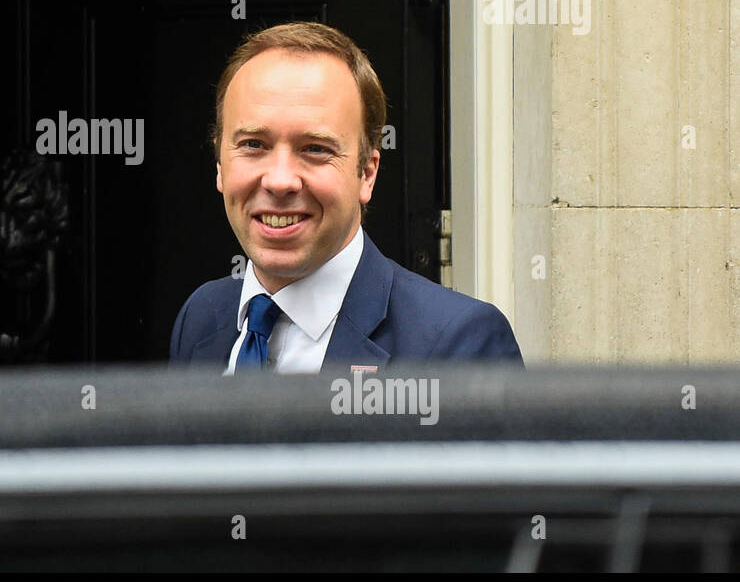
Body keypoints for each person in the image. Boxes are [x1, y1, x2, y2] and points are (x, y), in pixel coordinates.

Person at [169, 22, 523, 373]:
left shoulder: (460, 344)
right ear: (219, 163)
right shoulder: (201, 318)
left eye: (315, 149)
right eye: (253, 145)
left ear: (367, 173)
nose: (280, 181)